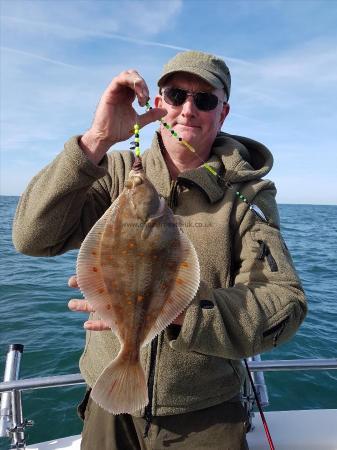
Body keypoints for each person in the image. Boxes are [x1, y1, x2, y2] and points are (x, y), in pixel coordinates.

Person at [12, 50, 307, 450]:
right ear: (157, 103)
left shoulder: (246, 194)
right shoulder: (116, 172)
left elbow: (283, 300)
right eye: (175, 95)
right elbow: (32, 237)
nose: (188, 109)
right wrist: (96, 139)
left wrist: (180, 312)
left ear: (223, 113)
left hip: (205, 411)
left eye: (205, 100)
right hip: (109, 404)